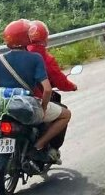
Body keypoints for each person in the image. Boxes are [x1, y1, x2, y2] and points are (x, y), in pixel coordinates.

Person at [0, 19, 69, 155]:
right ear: (27, 37)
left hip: (4, 105)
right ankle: (38, 146)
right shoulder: (35, 58)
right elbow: (48, 90)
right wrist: (43, 109)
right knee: (66, 115)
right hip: (27, 106)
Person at [26, 20, 78, 154]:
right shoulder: (44, 58)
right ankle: (42, 145)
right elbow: (57, 81)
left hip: (14, 99)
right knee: (65, 113)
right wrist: (72, 86)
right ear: (45, 37)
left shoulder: (10, 56)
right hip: (35, 98)